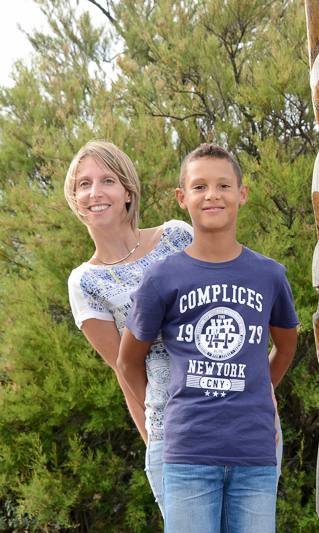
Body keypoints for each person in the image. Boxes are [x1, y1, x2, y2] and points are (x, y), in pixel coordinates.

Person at [117, 143, 299, 533]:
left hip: (255, 453)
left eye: (223, 185)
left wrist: (255, 387)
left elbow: (285, 347)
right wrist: (170, 409)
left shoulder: (270, 276)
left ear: (242, 194)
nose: (212, 195)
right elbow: (128, 362)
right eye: (199, 187)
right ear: (182, 198)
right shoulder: (162, 277)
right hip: (187, 454)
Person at [65, 140, 194, 515]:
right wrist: (153, 440)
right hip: (172, 434)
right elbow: (125, 370)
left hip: (230, 412)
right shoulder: (84, 283)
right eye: (83, 184)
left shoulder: (176, 235)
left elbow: (230, 312)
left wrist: (262, 402)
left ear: (127, 192)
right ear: (76, 200)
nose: (95, 192)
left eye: (107, 180)